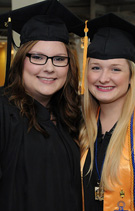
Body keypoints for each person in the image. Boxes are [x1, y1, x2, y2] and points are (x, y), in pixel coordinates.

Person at [0, 1, 83, 210]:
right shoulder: (3, 112)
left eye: (58, 59)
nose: (49, 68)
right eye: (37, 57)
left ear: (69, 66)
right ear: (20, 61)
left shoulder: (70, 117)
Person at [79, 13, 135, 211]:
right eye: (96, 67)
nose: (104, 78)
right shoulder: (79, 125)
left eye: (115, 69)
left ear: (131, 76)